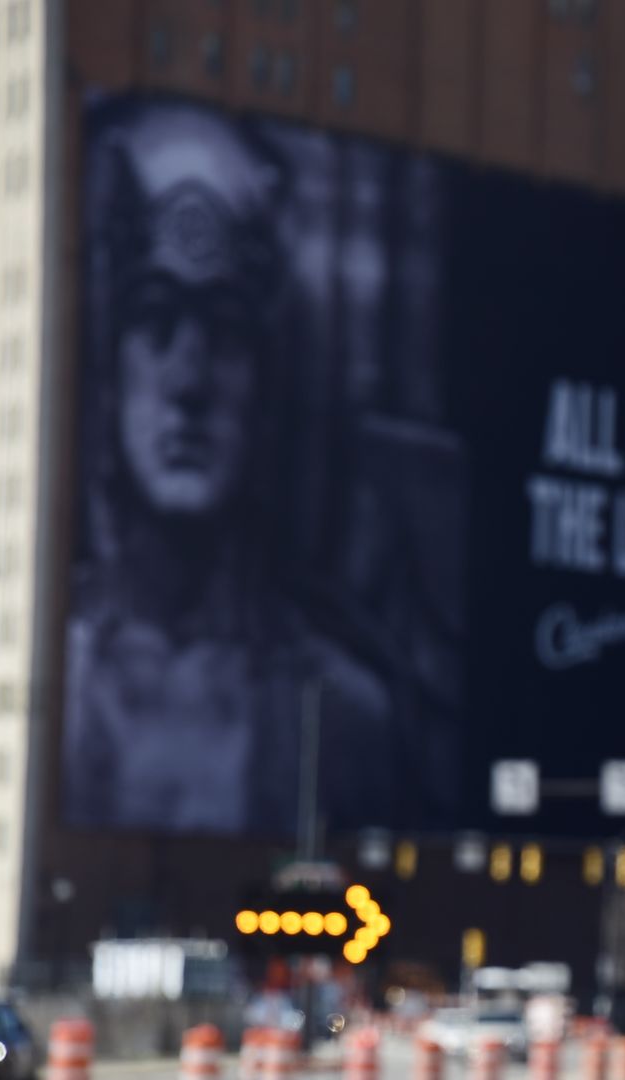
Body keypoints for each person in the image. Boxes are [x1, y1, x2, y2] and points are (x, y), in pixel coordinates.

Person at [65, 103, 394, 836]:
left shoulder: (345, 710)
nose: (190, 381)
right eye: (156, 322)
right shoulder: (48, 686)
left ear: (267, 387)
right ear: (111, 377)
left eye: (226, 330)